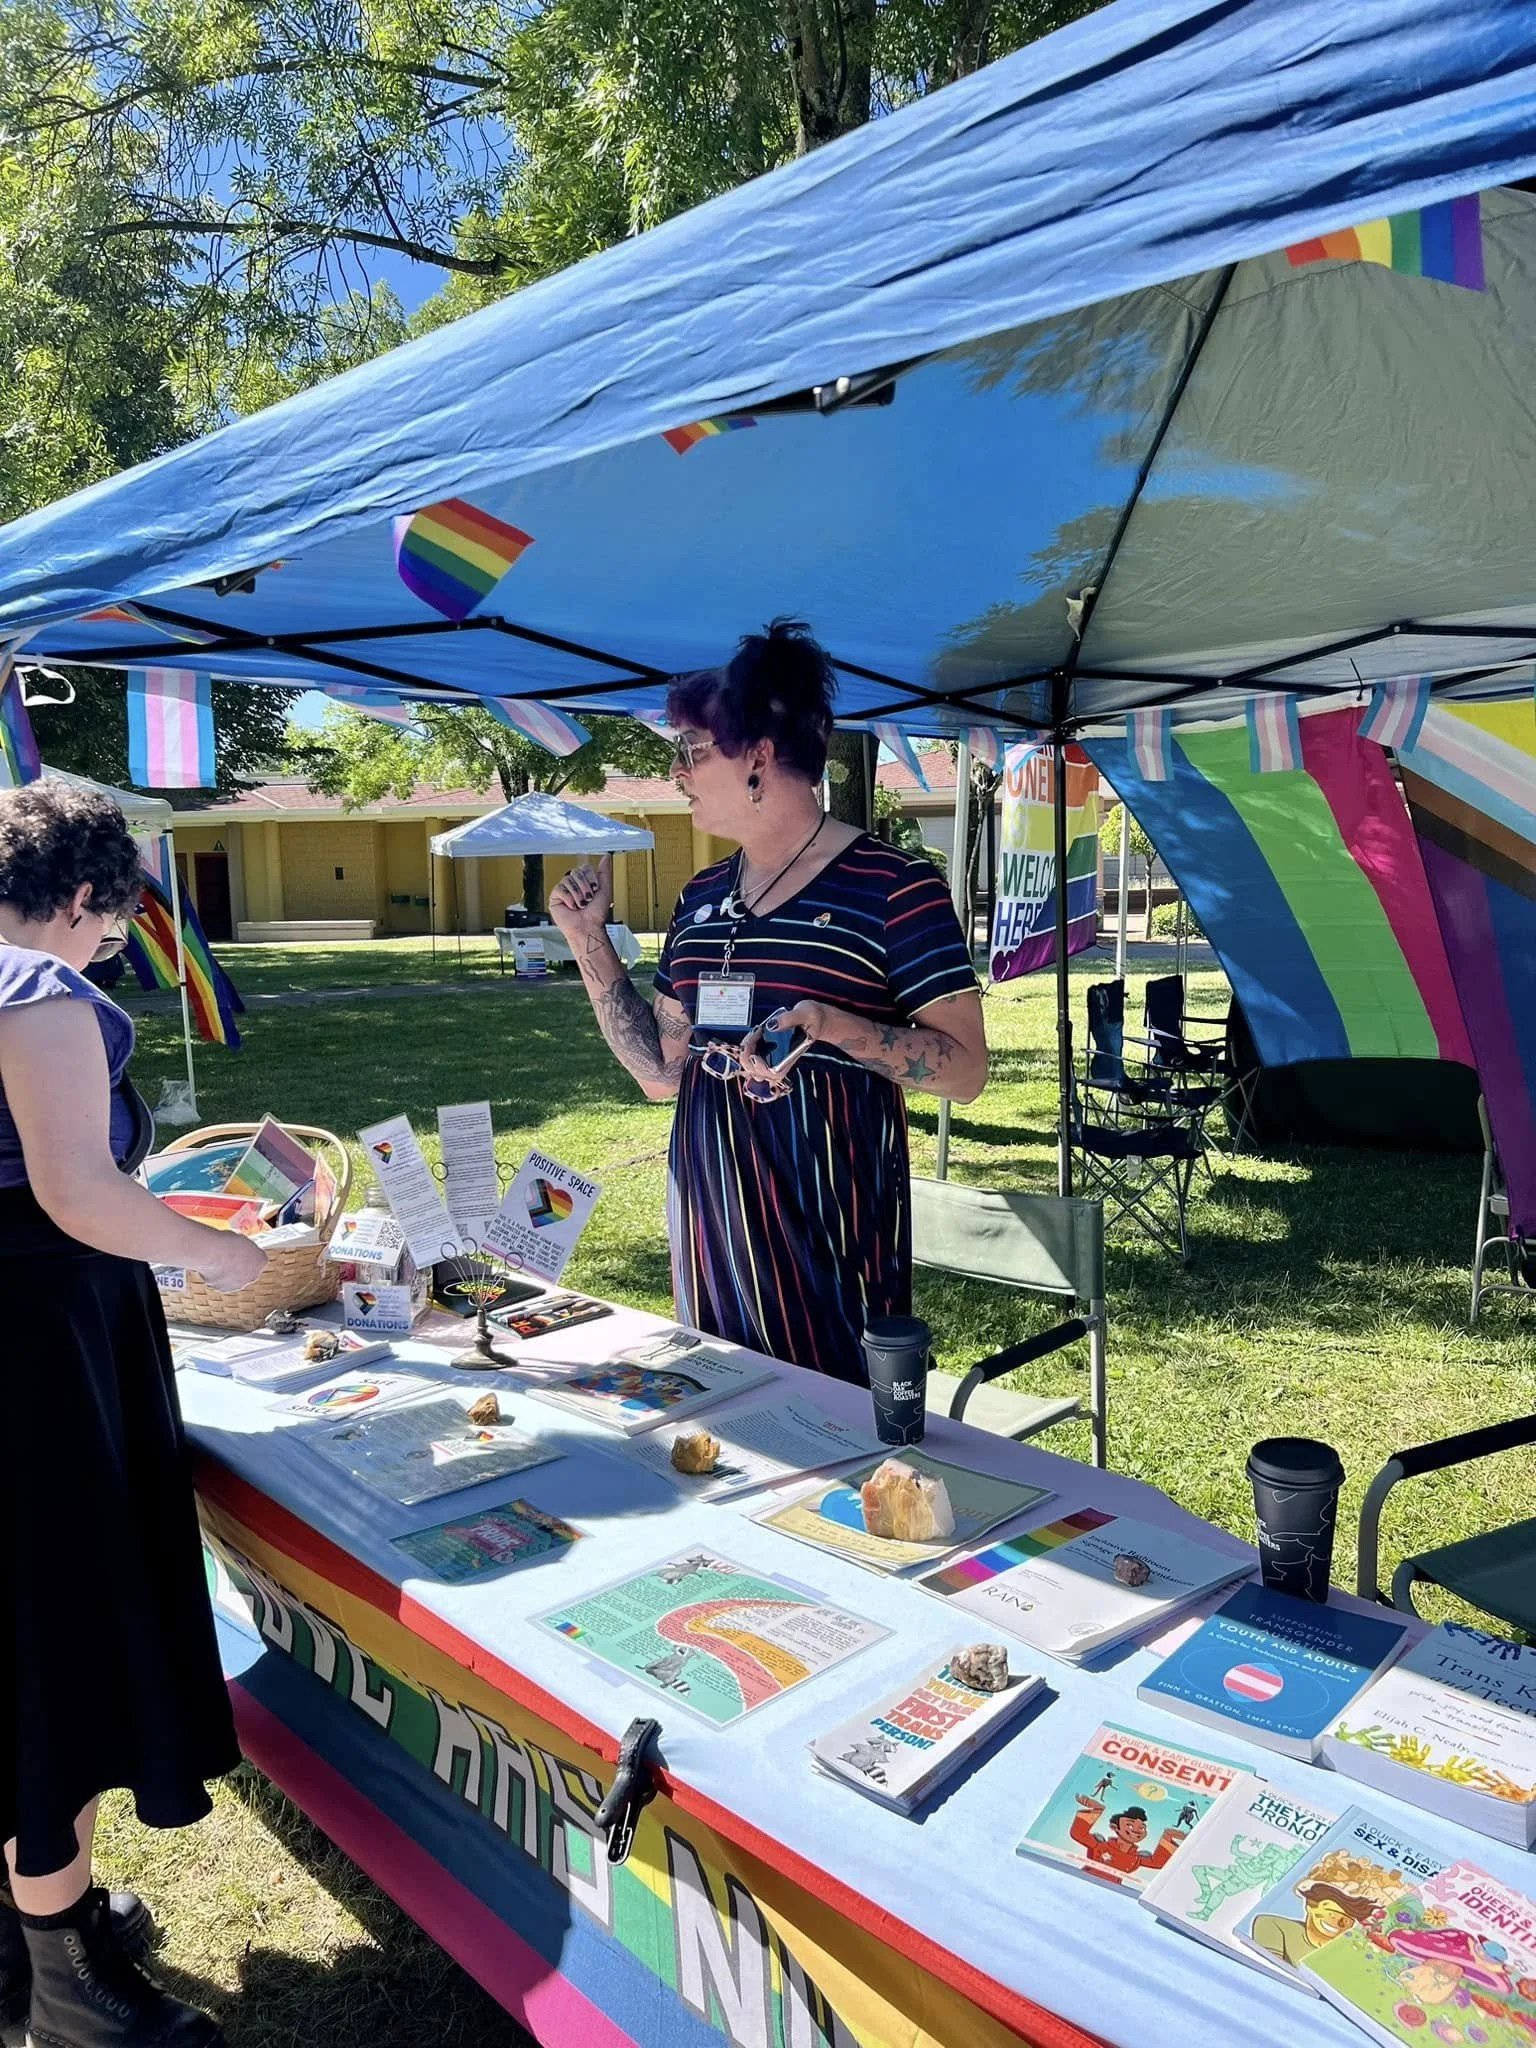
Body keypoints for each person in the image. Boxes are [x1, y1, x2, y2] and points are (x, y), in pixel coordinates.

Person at [0, 781, 266, 2048]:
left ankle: (27, 1936)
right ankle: (71, 1990)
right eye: (114, 922)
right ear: (88, 897)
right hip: (41, 1356)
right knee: (59, 1650)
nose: (112, 946)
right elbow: (77, 1197)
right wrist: (213, 1256)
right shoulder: (38, 990)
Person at [550, 619, 986, 1381]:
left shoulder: (893, 886)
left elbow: (965, 1072)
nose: (677, 773)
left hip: (827, 1241)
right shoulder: (701, 895)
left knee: (833, 1446)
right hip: (710, 1236)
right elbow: (661, 1075)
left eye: (690, 751)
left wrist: (841, 1027)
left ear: (756, 758)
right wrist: (591, 944)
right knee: (729, 1440)